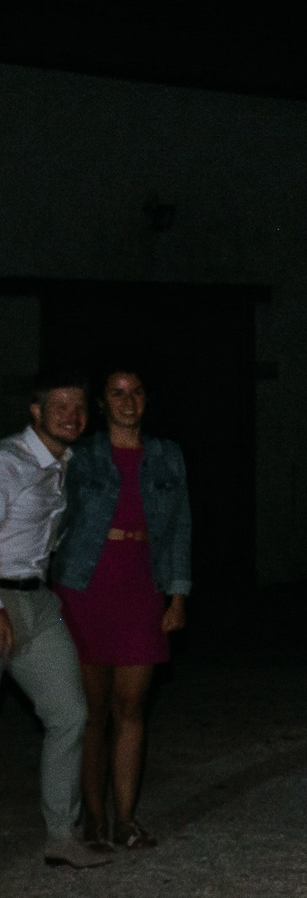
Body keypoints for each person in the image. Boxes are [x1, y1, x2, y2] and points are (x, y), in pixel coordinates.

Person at [54, 368, 192, 850]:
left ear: (145, 400)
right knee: (91, 713)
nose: (127, 400)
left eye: (135, 391)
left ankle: (126, 820)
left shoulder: (166, 455)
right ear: (102, 403)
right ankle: (92, 819)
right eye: (117, 393)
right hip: (84, 587)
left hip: (140, 588)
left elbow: (179, 531)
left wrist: (177, 595)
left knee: (130, 709)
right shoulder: (80, 456)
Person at [0, 370, 109, 869]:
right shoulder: (8, 461)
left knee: (70, 714)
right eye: (59, 404)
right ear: (36, 410)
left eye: (79, 405)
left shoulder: (68, 463)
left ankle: (61, 838)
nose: (72, 414)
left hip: (38, 603)